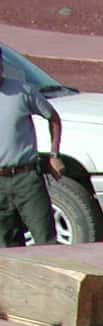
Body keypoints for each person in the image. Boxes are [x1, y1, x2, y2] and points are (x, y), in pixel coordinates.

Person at [0, 46, 66, 247]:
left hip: (26, 178)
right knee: (6, 246)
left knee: (45, 239)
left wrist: (54, 154)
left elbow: (53, 117)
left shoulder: (22, 91)